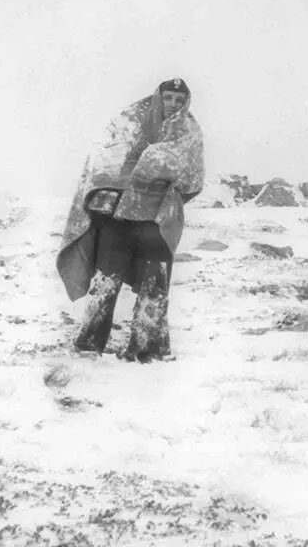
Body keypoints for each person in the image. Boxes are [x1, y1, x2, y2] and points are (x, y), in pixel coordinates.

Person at [56, 78, 205, 363]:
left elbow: (192, 180)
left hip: (156, 221)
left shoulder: (189, 131)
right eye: (168, 97)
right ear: (158, 97)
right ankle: (89, 344)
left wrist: (161, 188)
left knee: (155, 285)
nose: (172, 104)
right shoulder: (131, 122)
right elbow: (105, 160)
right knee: (106, 280)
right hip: (119, 217)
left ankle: (147, 349)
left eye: (179, 99)